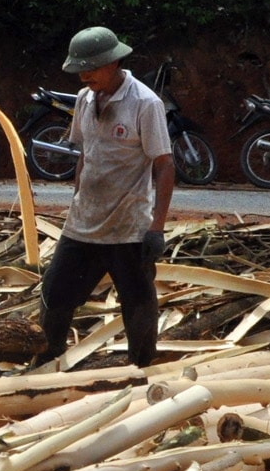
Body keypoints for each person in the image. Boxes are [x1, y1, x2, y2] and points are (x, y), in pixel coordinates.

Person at [38, 26, 174, 368]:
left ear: (114, 63)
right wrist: (77, 196)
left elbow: (165, 164)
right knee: (55, 294)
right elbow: (86, 153)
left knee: (138, 301)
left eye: (92, 67)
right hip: (83, 222)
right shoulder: (85, 99)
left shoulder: (145, 103)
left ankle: (141, 369)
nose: (84, 75)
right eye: (80, 69)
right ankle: (46, 362)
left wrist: (156, 227)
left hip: (128, 226)